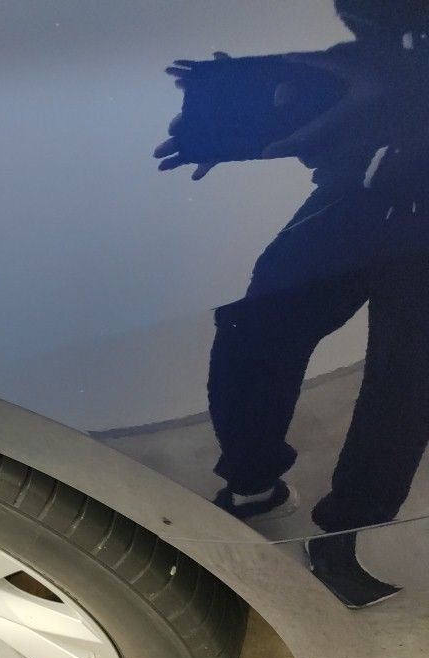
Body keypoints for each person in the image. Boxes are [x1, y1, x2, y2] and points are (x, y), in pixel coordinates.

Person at [156, 0, 429, 608]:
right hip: (354, 201)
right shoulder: (367, 49)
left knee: (403, 387)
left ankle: (348, 531)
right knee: (253, 332)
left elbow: (379, 80)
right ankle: (254, 482)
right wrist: (252, 112)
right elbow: (353, 82)